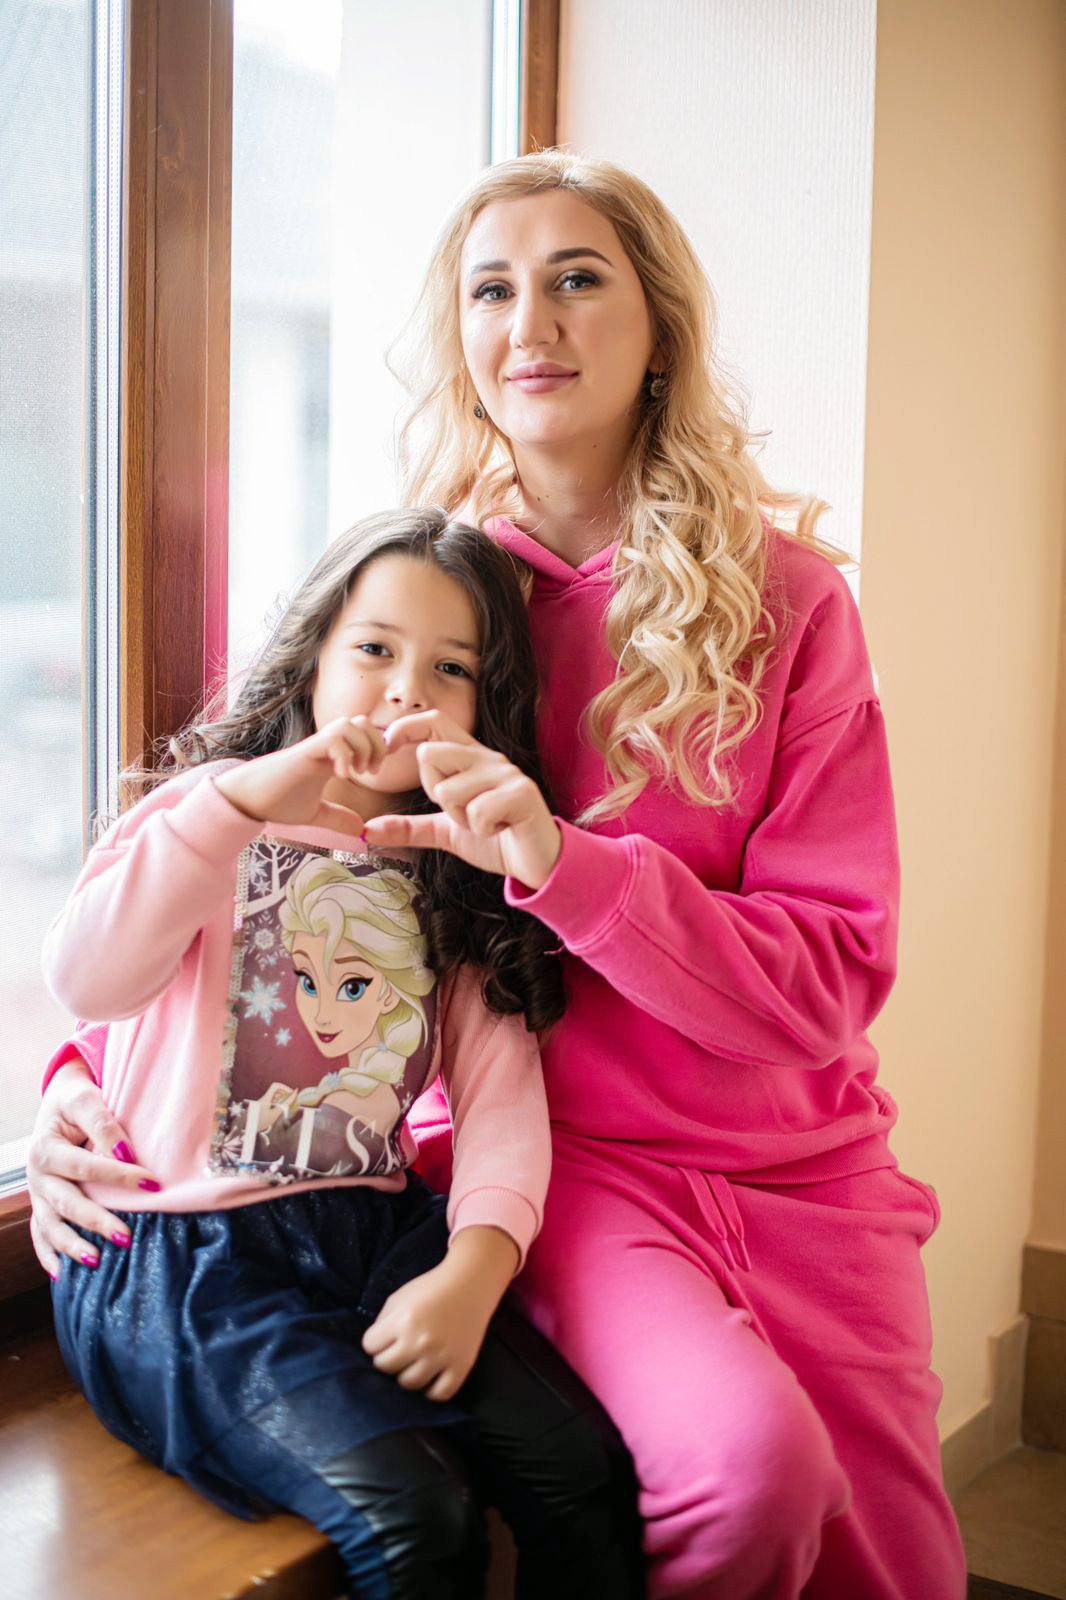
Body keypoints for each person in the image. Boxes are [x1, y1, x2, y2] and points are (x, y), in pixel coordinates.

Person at [29, 151, 966, 1599]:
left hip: (801, 1164)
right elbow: (267, 863)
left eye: (577, 278)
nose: (531, 322)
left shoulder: (789, 606)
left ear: (659, 328)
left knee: (894, 1564)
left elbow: (829, 981)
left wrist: (568, 866)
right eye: (490, 289)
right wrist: (75, 1084)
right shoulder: (439, 603)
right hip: (556, 1173)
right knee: (748, 1486)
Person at [37, 509, 643, 1600]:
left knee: (580, 1471)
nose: (405, 691)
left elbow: (503, 1105)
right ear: (313, 654)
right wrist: (234, 804)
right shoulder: (200, 817)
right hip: (183, 1260)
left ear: (488, 704)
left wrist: (473, 1272)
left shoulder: (457, 870)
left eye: (450, 668)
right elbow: (90, 982)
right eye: (373, 649)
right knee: (419, 1518)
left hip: (371, 1234)